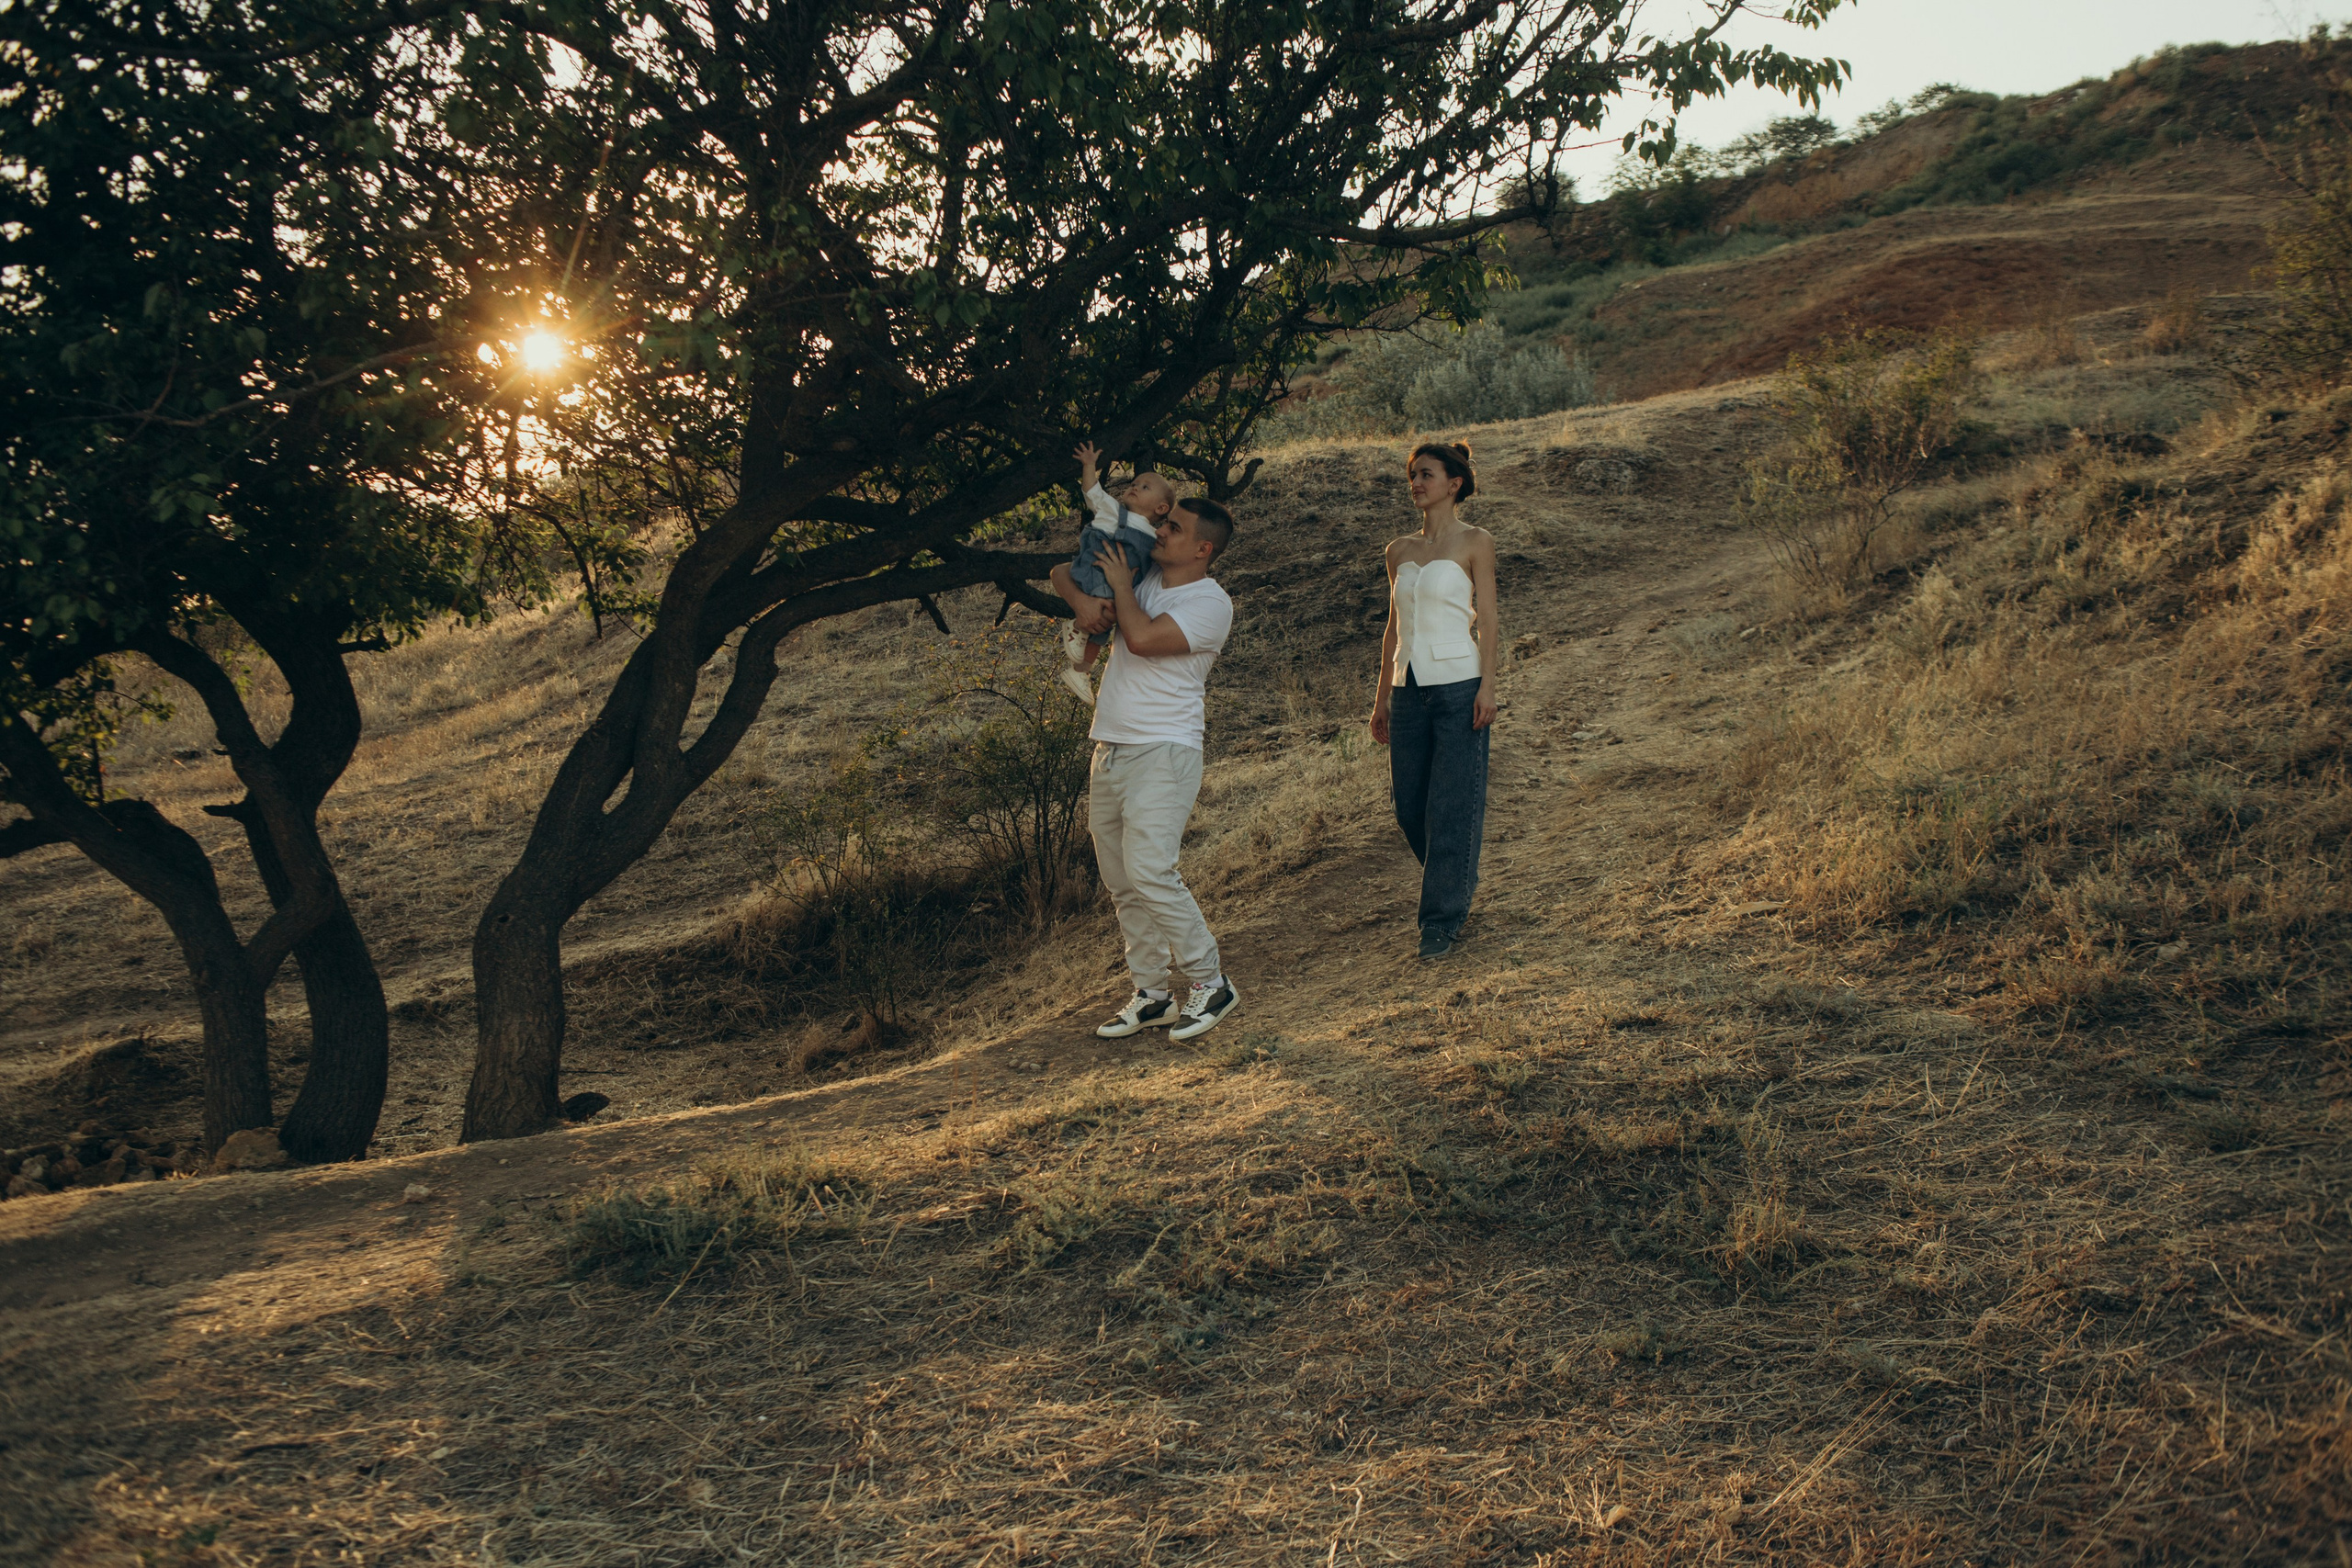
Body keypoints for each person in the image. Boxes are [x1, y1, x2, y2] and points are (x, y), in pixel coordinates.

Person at [1050, 488, 1243, 1042]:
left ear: (1203, 549)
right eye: (1165, 523)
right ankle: (1152, 994)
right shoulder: (1145, 577)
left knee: (1152, 873)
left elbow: (1138, 636)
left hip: (1165, 750)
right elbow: (1063, 570)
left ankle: (1211, 982)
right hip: (1109, 748)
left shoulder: (1210, 603)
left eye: (1175, 529)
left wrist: (1113, 588)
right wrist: (1085, 603)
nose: (1160, 531)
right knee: (1121, 882)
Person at [1370, 440, 1498, 960]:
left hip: (1459, 685)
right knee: (1409, 806)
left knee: (1452, 802)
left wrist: (1488, 686)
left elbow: (1487, 620)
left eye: (1427, 474)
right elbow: (1393, 626)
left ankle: (1440, 920)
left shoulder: (1476, 541)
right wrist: (1381, 697)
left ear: (1455, 483)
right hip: (1407, 688)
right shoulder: (1398, 551)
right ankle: (1456, 876)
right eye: (1412, 476)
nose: (1416, 483)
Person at [1057, 442, 1177, 705]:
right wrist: (1089, 465)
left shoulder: (1154, 538)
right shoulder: (1112, 510)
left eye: (1145, 487)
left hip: (1112, 586)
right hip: (1093, 570)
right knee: (1107, 609)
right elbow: (1091, 491)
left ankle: (1081, 671)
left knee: (1107, 622)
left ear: (1161, 509)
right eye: (1134, 483)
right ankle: (1077, 627)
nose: (1134, 486)